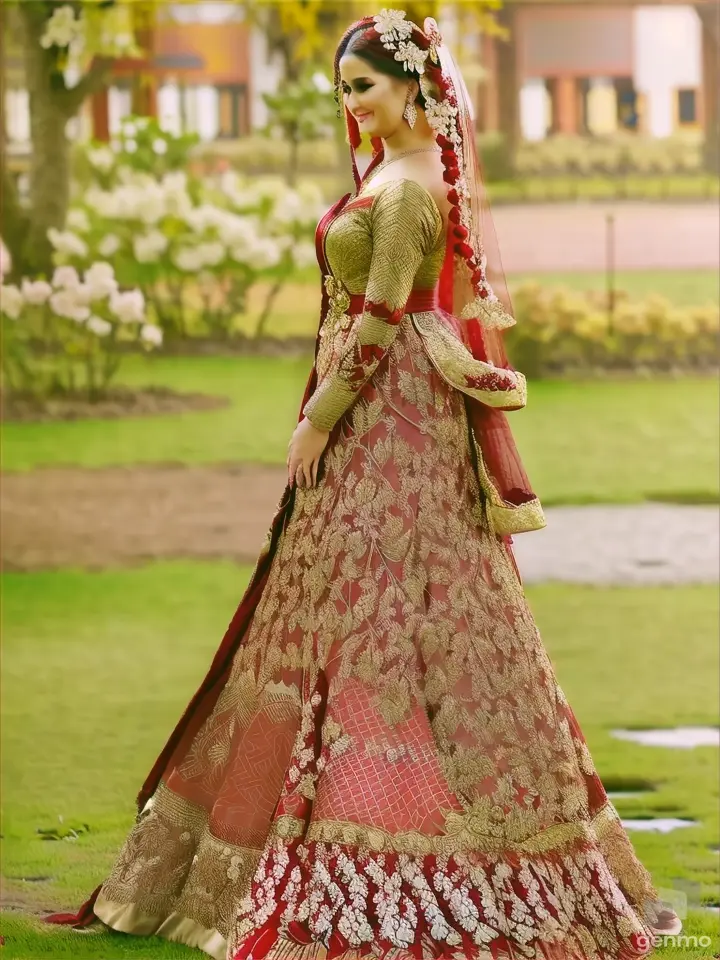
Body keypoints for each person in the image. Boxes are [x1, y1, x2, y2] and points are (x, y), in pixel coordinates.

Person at [47, 10, 682, 960]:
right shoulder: (395, 173)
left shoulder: (411, 188)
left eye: (364, 88)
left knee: (381, 610)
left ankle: (391, 834)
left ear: (416, 87)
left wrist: (316, 420)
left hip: (393, 414)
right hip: (391, 412)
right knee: (352, 605)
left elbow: (383, 318)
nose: (352, 106)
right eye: (343, 90)